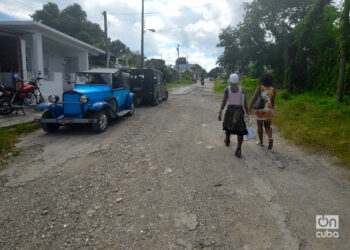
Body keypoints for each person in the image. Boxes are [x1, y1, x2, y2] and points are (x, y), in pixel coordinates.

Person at [218, 73, 249, 158]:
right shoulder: (242, 89)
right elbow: (245, 103)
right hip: (239, 111)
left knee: (228, 127)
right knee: (240, 130)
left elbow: (224, 101)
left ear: (230, 80)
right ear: (238, 80)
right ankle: (239, 148)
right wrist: (247, 112)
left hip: (230, 110)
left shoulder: (227, 89)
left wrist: (220, 111)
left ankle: (227, 140)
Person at [249, 73, 275, 150]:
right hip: (269, 110)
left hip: (260, 110)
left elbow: (254, 98)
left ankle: (261, 142)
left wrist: (249, 107)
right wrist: (272, 109)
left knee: (260, 126)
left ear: (262, 80)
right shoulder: (272, 89)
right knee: (268, 126)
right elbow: (273, 101)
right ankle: (270, 138)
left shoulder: (259, 88)